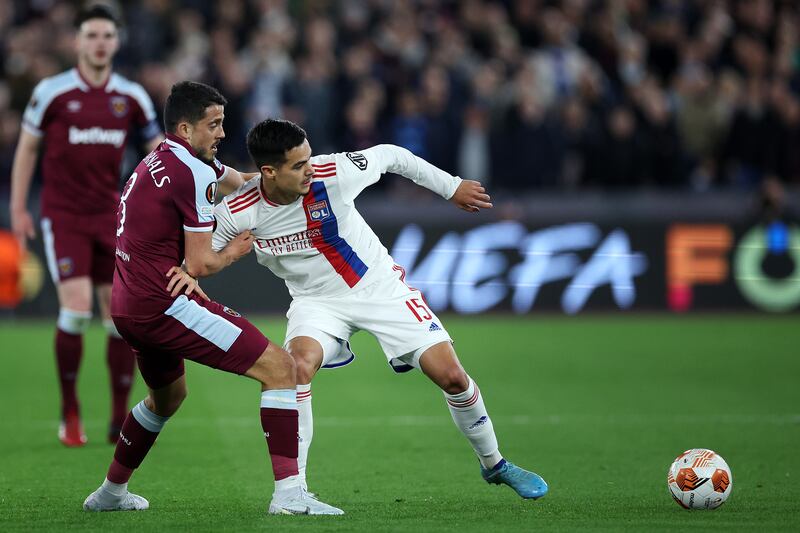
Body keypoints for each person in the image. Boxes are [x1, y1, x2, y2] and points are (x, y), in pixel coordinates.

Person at [212, 118, 549, 503]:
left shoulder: (333, 172)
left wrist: (450, 186)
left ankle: (495, 464)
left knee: (452, 377)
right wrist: (198, 270)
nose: (310, 169)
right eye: (298, 165)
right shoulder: (239, 210)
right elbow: (201, 257)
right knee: (296, 368)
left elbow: (392, 156)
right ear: (268, 171)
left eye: (309, 159)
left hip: (378, 288)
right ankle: (295, 490)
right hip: (315, 302)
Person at [82, 82, 342, 515]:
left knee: (167, 398)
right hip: (162, 302)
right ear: (186, 128)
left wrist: (272, 181)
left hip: (127, 303)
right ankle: (290, 497)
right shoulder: (193, 172)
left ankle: (109, 493)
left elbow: (238, 181)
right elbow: (200, 265)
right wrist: (235, 251)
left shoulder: (163, 158)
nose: (222, 133)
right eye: (214, 125)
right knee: (281, 368)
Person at [9, 5, 163, 446]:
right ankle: (70, 410)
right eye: (92, 35)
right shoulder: (52, 92)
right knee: (76, 312)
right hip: (64, 216)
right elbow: (27, 149)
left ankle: (118, 418)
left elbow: (157, 152)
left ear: (117, 42)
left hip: (111, 217)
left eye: (107, 36)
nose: (99, 43)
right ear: (77, 41)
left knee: (118, 319)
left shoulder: (130, 96)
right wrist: (20, 207)